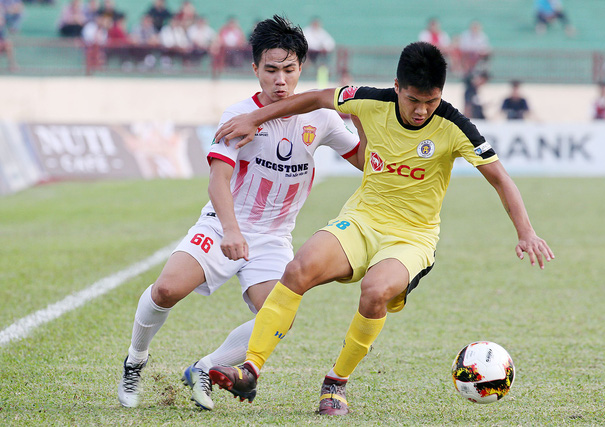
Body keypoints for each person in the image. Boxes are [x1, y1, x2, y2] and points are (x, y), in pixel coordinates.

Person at [209, 41, 554, 415]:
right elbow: (316, 98)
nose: (422, 110)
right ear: (396, 87)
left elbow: (501, 179)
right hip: (360, 220)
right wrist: (256, 118)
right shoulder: (370, 99)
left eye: (431, 101)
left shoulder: (456, 126)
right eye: (412, 100)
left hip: (411, 237)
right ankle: (251, 368)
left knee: (374, 292)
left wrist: (526, 232)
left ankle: (336, 382)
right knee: (297, 270)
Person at [117, 14, 366, 410]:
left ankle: (206, 367)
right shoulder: (239, 115)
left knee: (278, 315)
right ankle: (135, 360)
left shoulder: (320, 118)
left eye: (289, 69)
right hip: (223, 225)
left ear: (302, 67)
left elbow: (366, 162)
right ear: (255, 69)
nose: (280, 80)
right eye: (270, 70)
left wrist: (362, 121)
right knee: (166, 289)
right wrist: (232, 231)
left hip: (273, 237)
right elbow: (218, 180)